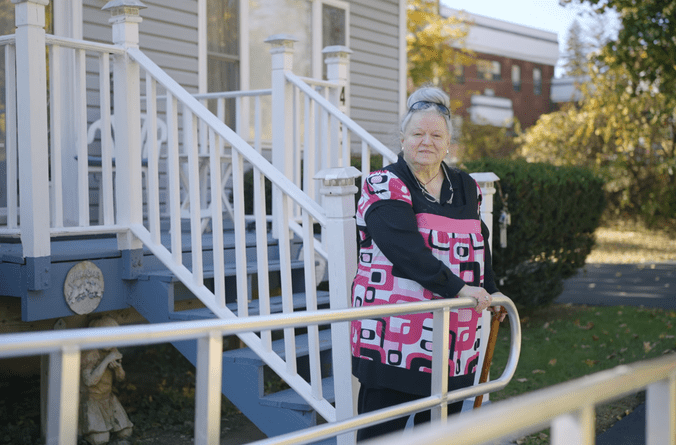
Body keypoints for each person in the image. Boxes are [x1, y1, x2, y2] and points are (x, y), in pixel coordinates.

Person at [350, 86, 506, 440]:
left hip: (454, 337)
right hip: (393, 338)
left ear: (449, 142)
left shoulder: (465, 186)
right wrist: (459, 287)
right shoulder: (384, 184)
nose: (426, 141)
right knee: (380, 435)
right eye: (417, 133)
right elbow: (405, 251)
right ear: (402, 139)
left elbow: (478, 240)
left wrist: (491, 290)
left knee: (436, 435)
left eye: (436, 134)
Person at [79, 316, 134, 445]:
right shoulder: (90, 354)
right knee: (100, 440)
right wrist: (106, 361)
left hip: (108, 398)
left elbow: (121, 378)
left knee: (126, 432)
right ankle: (89, 433)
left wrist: (118, 368)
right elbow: (89, 382)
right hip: (91, 401)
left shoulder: (112, 351)